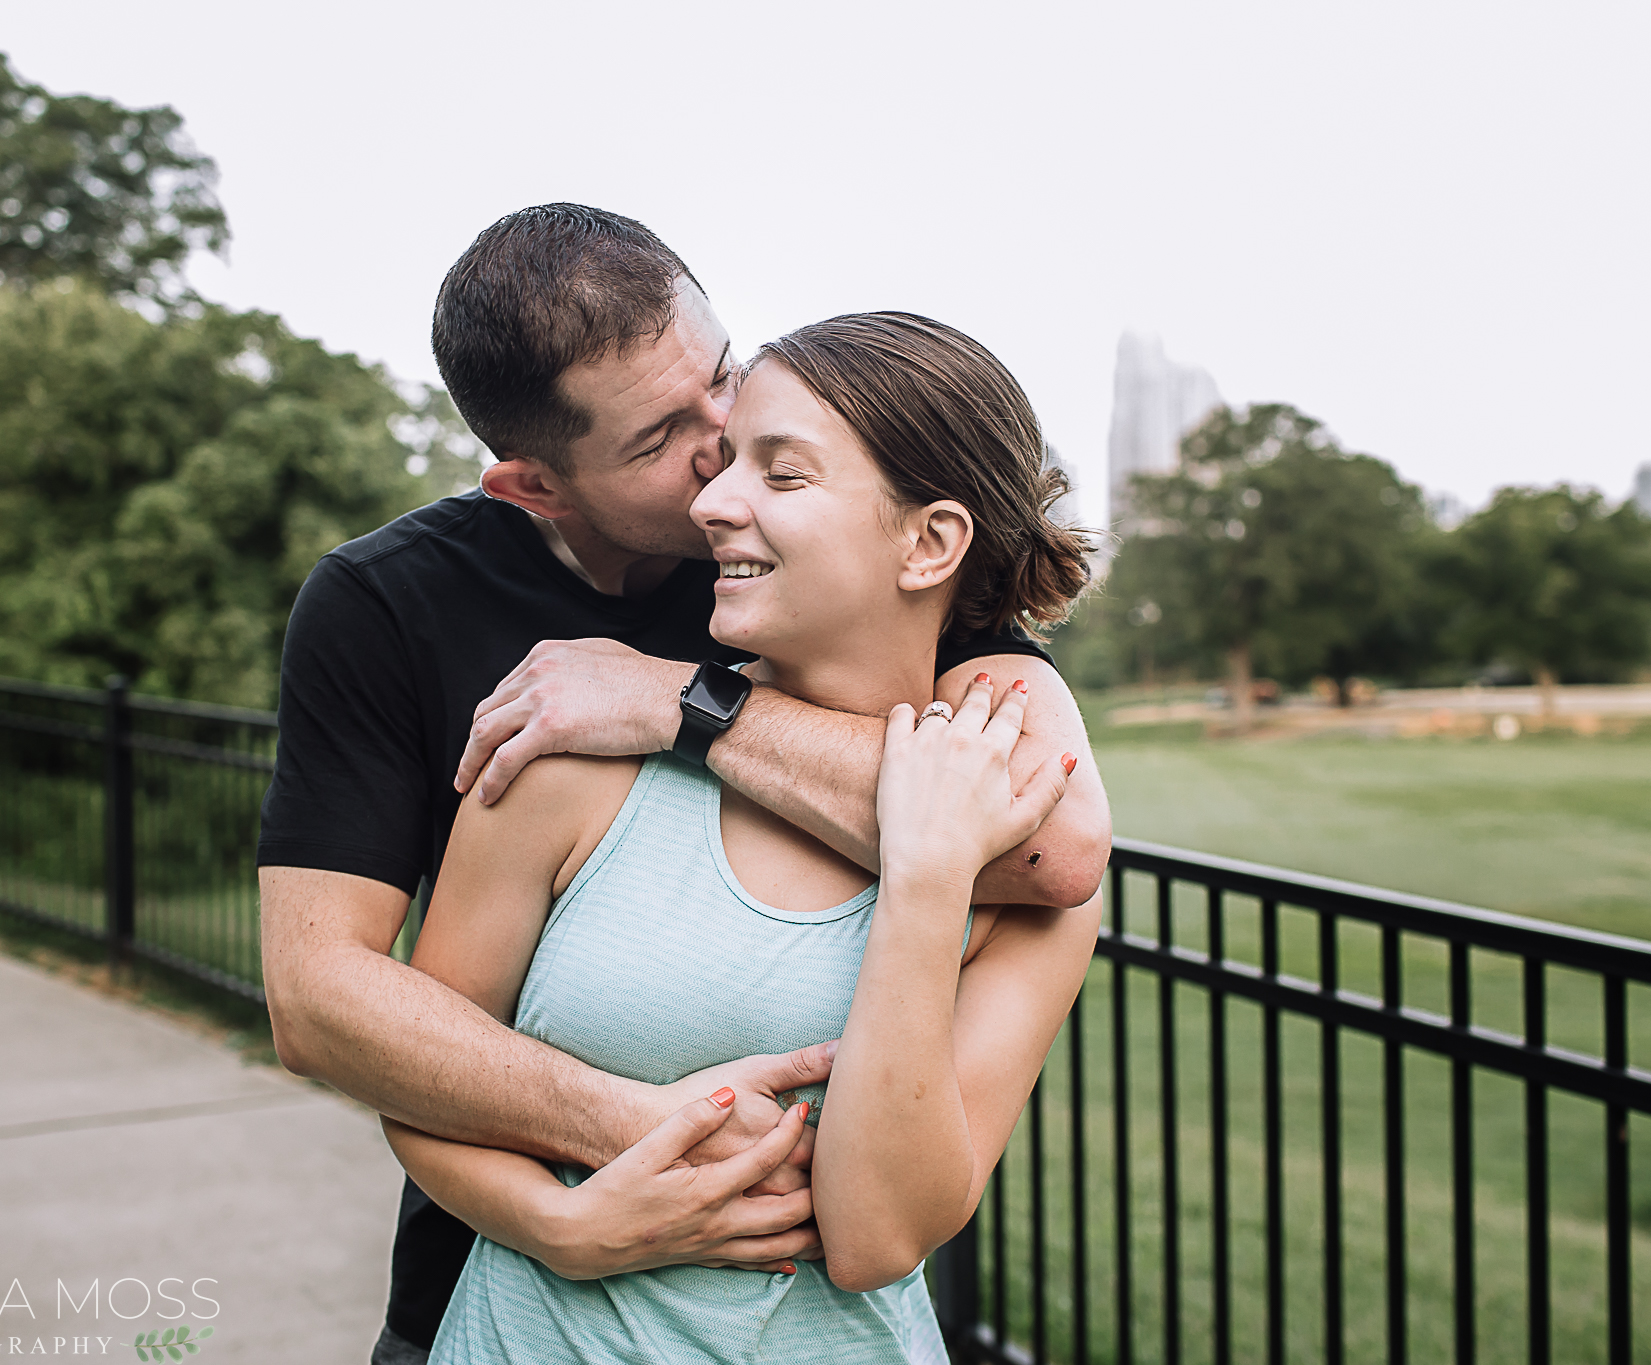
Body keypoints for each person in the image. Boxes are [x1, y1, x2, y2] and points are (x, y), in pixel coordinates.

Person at [255, 206, 1112, 1365]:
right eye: (664, 437)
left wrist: (675, 701)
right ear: (533, 486)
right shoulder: (399, 616)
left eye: (724, 377)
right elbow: (325, 1002)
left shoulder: (866, 574)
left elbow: (1047, 850)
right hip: (497, 1292)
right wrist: (588, 1191)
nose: (719, 456)